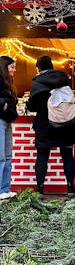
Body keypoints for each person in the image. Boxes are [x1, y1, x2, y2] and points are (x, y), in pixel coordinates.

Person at [27, 55, 75, 198]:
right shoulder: (63, 79)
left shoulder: (38, 83)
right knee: (67, 154)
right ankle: (70, 189)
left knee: (42, 155)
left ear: (38, 68)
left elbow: (32, 107)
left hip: (45, 124)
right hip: (65, 123)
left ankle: (40, 189)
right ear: (52, 67)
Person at [0, 56, 18, 200]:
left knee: (7, 156)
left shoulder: (9, 83)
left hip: (8, 120)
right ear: (4, 67)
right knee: (1, 157)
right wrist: (3, 105)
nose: (14, 70)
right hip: (1, 119)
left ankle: (5, 189)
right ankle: (1, 190)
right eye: (12, 67)